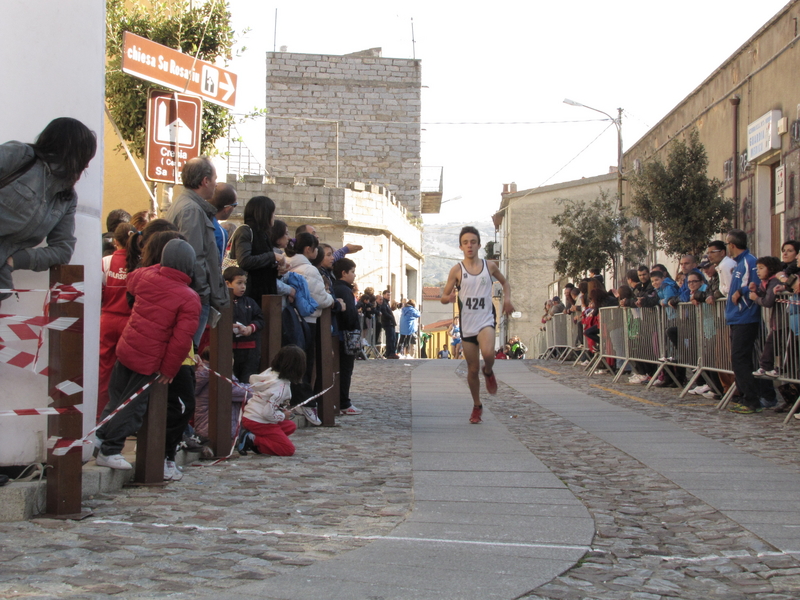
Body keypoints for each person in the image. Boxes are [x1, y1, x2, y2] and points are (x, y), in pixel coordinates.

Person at [95, 239, 201, 472]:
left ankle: (100, 438)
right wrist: (169, 369)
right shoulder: (189, 297)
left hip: (128, 347)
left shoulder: (144, 277)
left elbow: (132, 280)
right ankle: (110, 449)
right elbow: (181, 340)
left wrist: (159, 267)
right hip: (150, 359)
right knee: (133, 406)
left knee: (116, 398)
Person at [1, 117, 97, 301]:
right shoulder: (21, 156)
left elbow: (63, 250)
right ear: (70, 152)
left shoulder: (66, 199)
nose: (86, 165)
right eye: (85, 156)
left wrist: (16, 260)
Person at [441, 226, 513, 424]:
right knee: (472, 369)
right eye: (465, 243)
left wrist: (507, 300)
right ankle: (477, 405)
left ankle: (488, 371)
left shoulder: (489, 266)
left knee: (488, 353)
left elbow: (505, 283)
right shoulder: (456, 270)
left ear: (479, 244)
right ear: (460, 246)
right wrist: (449, 297)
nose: (469, 246)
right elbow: (443, 296)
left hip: (486, 320)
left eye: (473, 242)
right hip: (467, 324)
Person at [165, 156, 229, 347]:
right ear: (205, 181)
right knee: (186, 352)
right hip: (193, 296)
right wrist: (203, 292)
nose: (216, 185)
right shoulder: (191, 210)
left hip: (190, 293)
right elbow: (194, 257)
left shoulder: (187, 205)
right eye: (215, 179)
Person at [725, 229, 774, 414]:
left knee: (740, 358)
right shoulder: (738, 264)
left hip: (746, 317)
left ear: (732, 245)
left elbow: (757, 284)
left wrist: (742, 292)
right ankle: (747, 396)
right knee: (739, 359)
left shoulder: (750, 261)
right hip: (736, 317)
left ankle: (752, 400)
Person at [97, 222, 137, 419]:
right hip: (130, 324)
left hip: (107, 320)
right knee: (129, 371)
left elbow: (98, 293)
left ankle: (100, 415)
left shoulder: (105, 262)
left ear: (115, 241)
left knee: (104, 369)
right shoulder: (138, 263)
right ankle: (122, 415)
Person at [238, 345, 305, 457]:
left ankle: (260, 439)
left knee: (290, 426)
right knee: (287, 449)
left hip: (250, 416)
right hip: (259, 421)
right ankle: (253, 440)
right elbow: (267, 413)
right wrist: (283, 415)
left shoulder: (270, 373)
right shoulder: (281, 387)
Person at [229, 195, 279, 305]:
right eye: (272, 212)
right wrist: (272, 256)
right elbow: (245, 261)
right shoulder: (246, 231)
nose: (274, 216)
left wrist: (277, 267)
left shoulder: (263, 234)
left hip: (263, 294)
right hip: (248, 296)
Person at [332, 257, 363, 415]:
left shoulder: (336, 287)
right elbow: (350, 315)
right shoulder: (344, 290)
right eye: (352, 272)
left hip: (339, 334)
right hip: (346, 335)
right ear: (344, 273)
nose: (354, 275)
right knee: (345, 370)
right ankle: (344, 402)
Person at [224, 266, 265, 384]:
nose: (243, 287)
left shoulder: (250, 302)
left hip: (250, 349)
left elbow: (260, 320)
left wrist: (250, 328)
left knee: (247, 380)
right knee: (230, 380)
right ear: (227, 283)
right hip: (229, 349)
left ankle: (245, 402)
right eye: (239, 283)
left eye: (245, 283)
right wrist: (229, 326)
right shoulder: (223, 302)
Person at [750, 256, 782, 382]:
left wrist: (755, 298)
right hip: (776, 322)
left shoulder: (774, 282)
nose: (758, 271)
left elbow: (768, 301)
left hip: (782, 321)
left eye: (761, 268)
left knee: (774, 344)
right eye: (757, 268)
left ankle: (767, 366)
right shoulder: (766, 282)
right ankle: (768, 366)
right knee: (774, 344)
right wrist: (756, 291)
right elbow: (765, 295)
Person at [209, 183, 238, 266]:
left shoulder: (197, 218)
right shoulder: (219, 232)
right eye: (235, 205)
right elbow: (216, 266)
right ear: (227, 208)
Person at [380, 289, 399, 358]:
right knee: (390, 338)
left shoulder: (387, 303)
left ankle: (390, 352)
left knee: (392, 338)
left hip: (390, 323)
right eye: (387, 295)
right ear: (384, 295)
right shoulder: (384, 303)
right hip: (388, 323)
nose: (389, 297)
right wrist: (390, 317)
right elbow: (384, 312)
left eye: (389, 295)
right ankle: (390, 353)